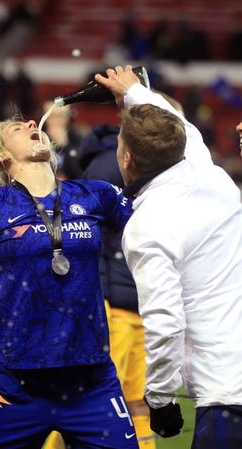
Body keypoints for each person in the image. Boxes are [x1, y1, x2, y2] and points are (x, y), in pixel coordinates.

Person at [0, 114, 140, 448]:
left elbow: (157, 226)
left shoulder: (95, 194)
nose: (33, 126)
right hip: (16, 384)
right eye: (18, 129)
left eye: (35, 126)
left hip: (91, 379)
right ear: (1, 156)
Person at [95, 65, 242, 446]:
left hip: (227, 391)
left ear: (126, 160)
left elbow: (165, 322)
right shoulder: (212, 176)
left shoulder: (147, 227)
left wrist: (159, 399)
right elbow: (182, 130)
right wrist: (134, 91)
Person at [79, 124, 155, 449]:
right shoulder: (111, 166)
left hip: (135, 301)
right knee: (100, 399)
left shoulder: (126, 162)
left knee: (136, 401)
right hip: (118, 305)